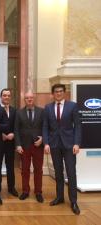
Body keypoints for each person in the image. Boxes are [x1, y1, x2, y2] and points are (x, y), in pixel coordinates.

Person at [43, 83, 81, 215]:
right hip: (54, 145)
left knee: (71, 173)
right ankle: (59, 197)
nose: (58, 93)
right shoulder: (48, 107)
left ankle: (74, 201)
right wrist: (46, 143)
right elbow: (45, 127)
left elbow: (78, 126)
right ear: (53, 94)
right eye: (56, 91)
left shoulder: (72, 106)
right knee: (58, 173)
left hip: (69, 145)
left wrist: (77, 143)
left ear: (64, 93)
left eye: (60, 91)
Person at [14, 91, 44, 203]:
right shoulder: (19, 113)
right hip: (24, 146)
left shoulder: (42, 111)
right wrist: (18, 144)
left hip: (38, 146)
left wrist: (43, 139)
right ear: (24, 100)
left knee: (38, 170)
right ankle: (25, 191)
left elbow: (45, 127)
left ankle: (38, 192)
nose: (29, 99)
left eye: (31, 97)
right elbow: (16, 130)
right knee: (25, 170)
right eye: (27, 98)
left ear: (34, 98)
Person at [0, 88, 19, 197]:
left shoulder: (14, 111)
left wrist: (14, 134)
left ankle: (11, 188)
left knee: (10, 167)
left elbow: (17, 127)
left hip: (10, 143)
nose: (6, 97)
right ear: (1, 97)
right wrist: (1, 134)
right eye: (4, 95)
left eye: (8, 95)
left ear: (10, 97)